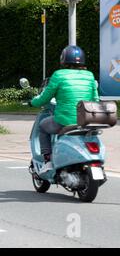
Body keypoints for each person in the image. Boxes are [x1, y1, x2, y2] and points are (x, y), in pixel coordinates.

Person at [31, 45, 99, 174]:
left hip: (65, 120)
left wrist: (33, 102)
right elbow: (95, 99)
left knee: (42, 127)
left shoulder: (58, 75)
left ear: (63, 59)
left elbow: (44, 98)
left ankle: (48, 161)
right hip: (86, 121)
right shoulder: (90, 75)